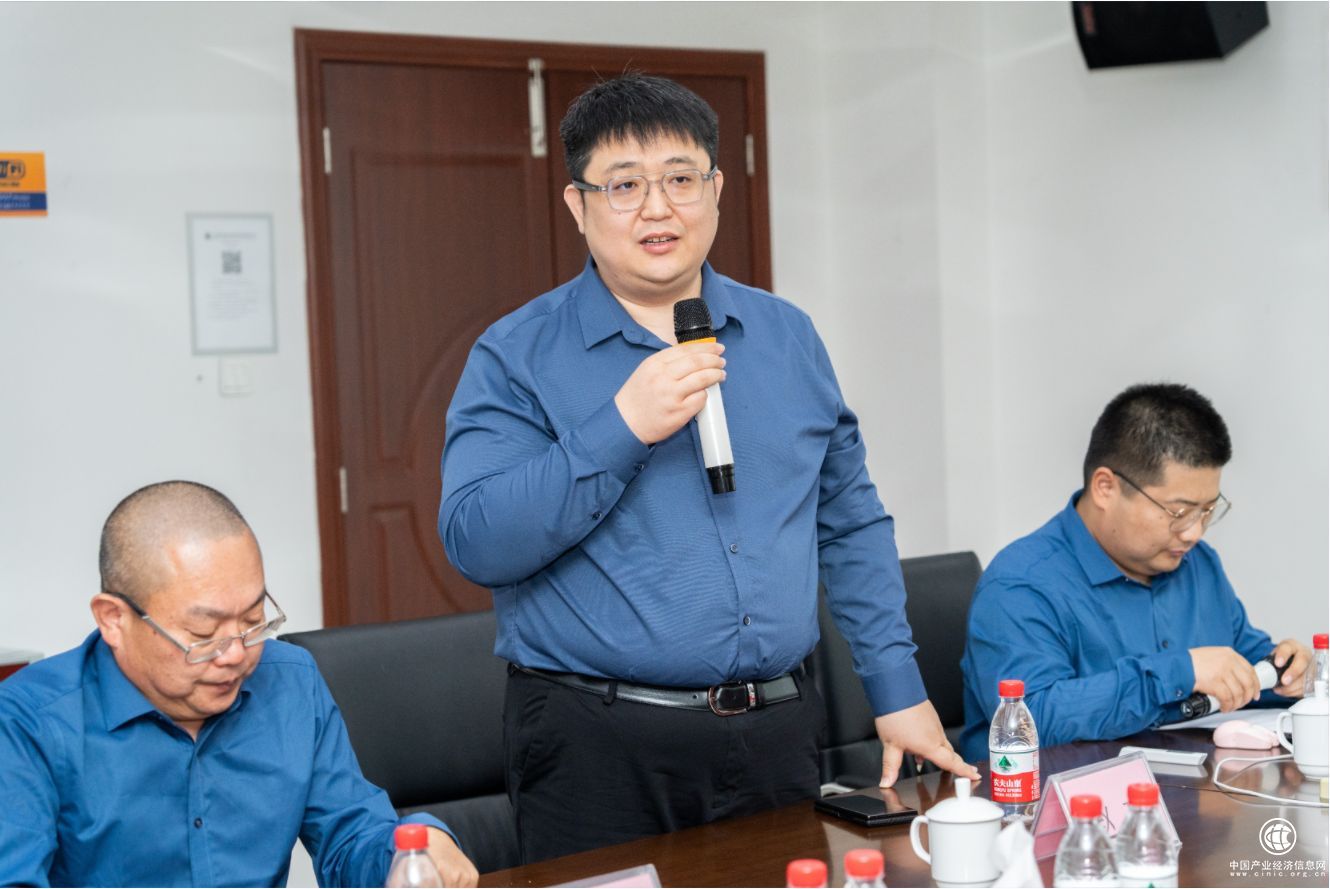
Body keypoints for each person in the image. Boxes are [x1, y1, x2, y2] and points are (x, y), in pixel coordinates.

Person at [439, 73, 976, 863]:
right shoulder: (516, 354)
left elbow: (850, 522)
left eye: (681, 179)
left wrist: (896, 689)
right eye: (624, 185)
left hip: (779, 733)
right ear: (578, 206)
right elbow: (477, 540)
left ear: (717, 191)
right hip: (599, 746)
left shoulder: (787, 336)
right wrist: (621, 426)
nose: (658, 208)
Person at [0, 481, 479, 888]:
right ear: (113, 619)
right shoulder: (27, 722)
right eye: (203, 633)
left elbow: (350, 836)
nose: (234, 654)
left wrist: (411, 850)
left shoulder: (291, 681)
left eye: (253, 621)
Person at [959, 383, 1311, 762]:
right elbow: (1031, 720)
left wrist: (1288, 673)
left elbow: (1241, 660)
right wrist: (1180, 672)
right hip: (1061, 794)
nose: (1194, 533)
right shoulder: (1021, 585)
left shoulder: (1198, 563)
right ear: (1105, 488)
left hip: (1192, 786)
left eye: (1207, 511)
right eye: (1179, 512)